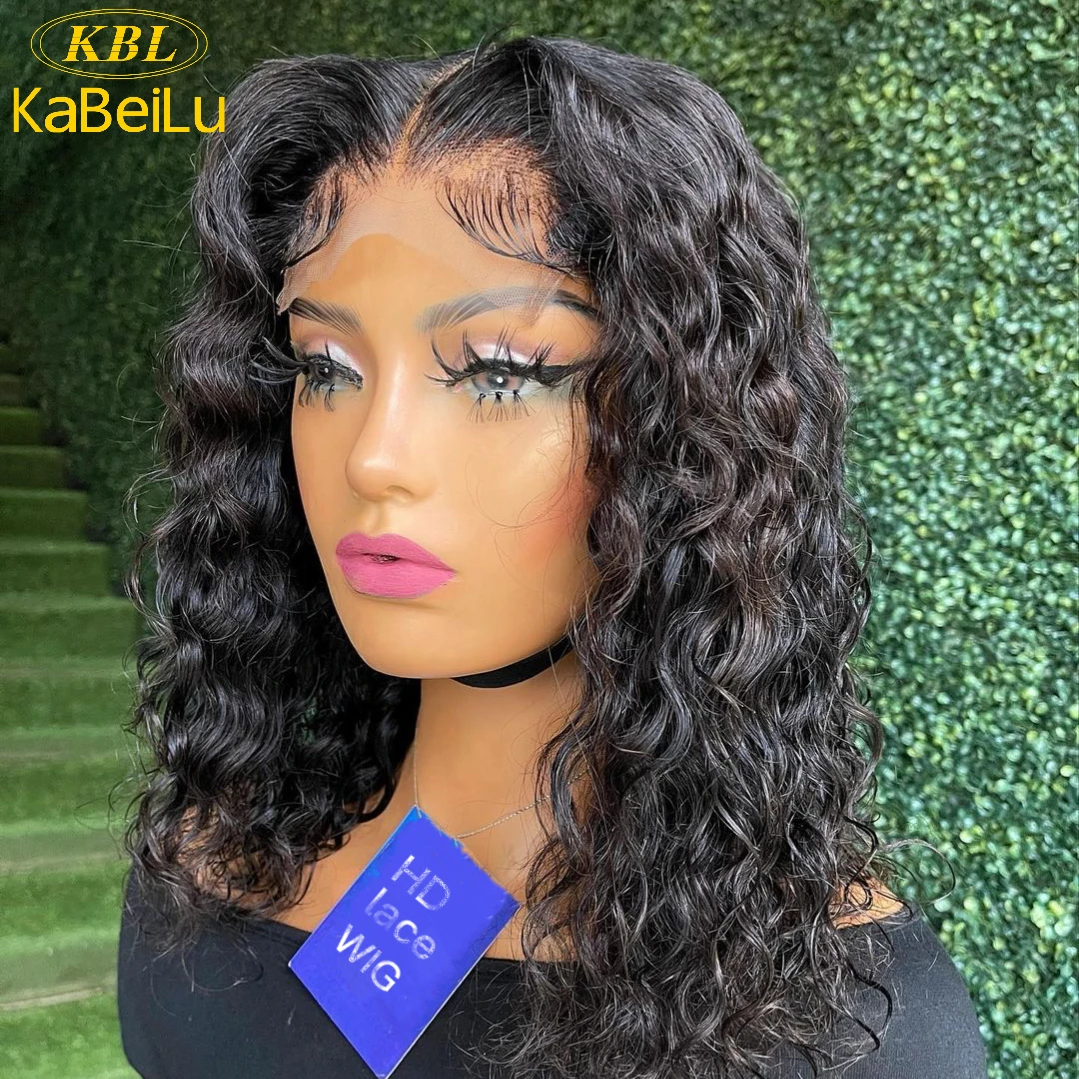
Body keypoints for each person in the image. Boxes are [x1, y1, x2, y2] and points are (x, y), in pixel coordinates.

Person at [115, 33, 989, 1079]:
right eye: (328, 366)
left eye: (498, 372)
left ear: (683, 435)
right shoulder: (210, 879)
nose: (374, 456)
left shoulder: (844, 1033)